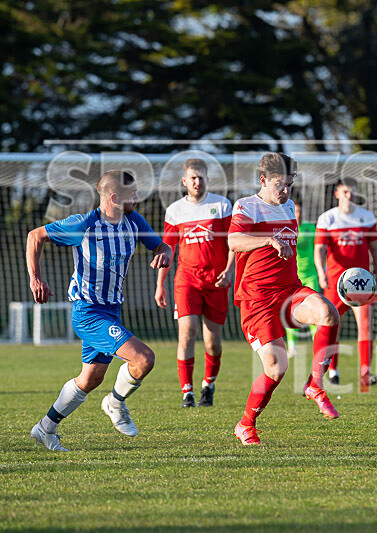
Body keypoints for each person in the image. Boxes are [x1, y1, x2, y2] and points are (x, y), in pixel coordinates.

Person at [28, 170, 172, 451]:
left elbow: (161, 246)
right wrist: (36, 279)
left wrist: (164, 253)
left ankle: (45, 428)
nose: (137, 198)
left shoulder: (133, 220)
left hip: (112, 311)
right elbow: (35, 236)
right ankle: (115, 402)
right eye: (133, 194)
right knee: (144, 359)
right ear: (115, 197)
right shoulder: (83, 224)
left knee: (90, 379)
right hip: (88, 313)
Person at [228, 152, 341, 446]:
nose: (286, 190)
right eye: (280, 184)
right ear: (263, 180)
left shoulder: (288, 206)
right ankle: (245, 424)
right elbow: (233, 241)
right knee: (276, 368)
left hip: (290, 290)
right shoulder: (247, 206)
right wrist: (268, 240)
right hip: (258, 299)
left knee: (328, 313)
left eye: (290, 184)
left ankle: (315, 384)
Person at [155, 158, 234, 408]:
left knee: (212, 342)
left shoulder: (221, 205)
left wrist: (229, 271)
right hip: (187, 280)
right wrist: (160, 285)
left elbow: (233, 242)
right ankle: (187, 393)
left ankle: (208, 385)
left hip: (217, 281)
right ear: (184, 181)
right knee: (187, 334)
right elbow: (167, 249)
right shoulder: (175, 210)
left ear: (207, 179)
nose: (197, 182)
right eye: (193, 178)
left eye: (201, 177)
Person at [315, 178, 377, 392]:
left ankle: (365, 374)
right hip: (335, 284)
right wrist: (321, 274)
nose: (349, 196)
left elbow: (375, 249)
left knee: (366, 326)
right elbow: (319, 250)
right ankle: (333, 371)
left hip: (362, 284)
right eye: (345, 192)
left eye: (352, 192)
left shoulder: (366, 217)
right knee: (331, 326)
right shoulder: (327, 218)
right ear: (337, 194)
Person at [285, 195, 318, 358]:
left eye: (299, 211)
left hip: (311, 276)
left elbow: (319, 250)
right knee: (292, 312)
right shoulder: (285, 230)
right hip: (292, 277)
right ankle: (292, 347)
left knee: (315, 311)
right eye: (294, 211)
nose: (297, 214)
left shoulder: (310, 228)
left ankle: (317, 344)